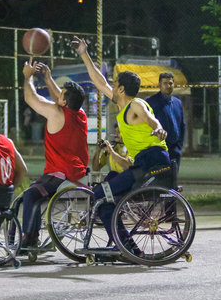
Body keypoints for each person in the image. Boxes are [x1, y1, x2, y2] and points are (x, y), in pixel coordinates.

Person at [72, 36, 169, 249]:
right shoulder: (124, 106)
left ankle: (123, 244)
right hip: (141, 162)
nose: (112, 87)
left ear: (122, 89)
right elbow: (99, 82)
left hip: (151, 160)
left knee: (99, 194)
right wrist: (83, 54)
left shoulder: (135, 105)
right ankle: (123, 244)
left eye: (115, 85)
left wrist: (158, 128)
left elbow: (150, 118)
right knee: (109, 190)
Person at [21, 59, 89, 247]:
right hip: (78, 171)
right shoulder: (80, 113)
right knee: (31, 193)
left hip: (60, 174)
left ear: (64, 102)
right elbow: (61, 99)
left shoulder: (56, 113)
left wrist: (28, 77)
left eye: (62, 95)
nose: (58, 96)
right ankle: (29, 236)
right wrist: (49, 79)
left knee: (30, 196)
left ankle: (29, 239)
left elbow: (31, 98)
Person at [146, 72, 185, 168]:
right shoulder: (151, 102)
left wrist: (179, 145)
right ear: (159, 85)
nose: (168, 86)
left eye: (170, 83)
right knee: (161, 180)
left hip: (175, 149)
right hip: (159, 149)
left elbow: (182, 125)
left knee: (173, 178)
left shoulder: (178, 103)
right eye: (165, 83)